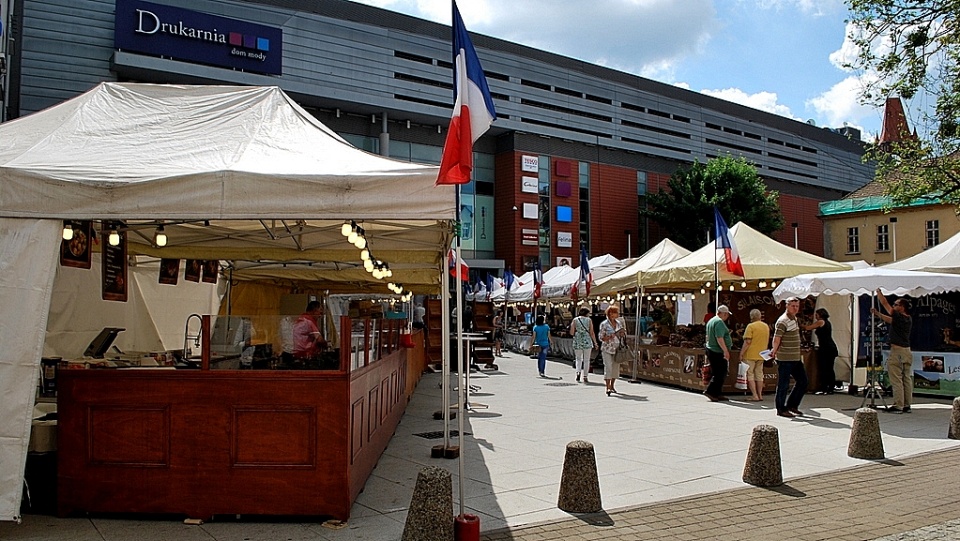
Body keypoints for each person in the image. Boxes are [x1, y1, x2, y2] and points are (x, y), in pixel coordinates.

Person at [871, 292, 913, 413]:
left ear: (902, 307)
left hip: (898, 351)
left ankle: (898, 405)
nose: (894, 306)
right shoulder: (907, 319)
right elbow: (890, 320)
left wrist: (878, 292)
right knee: (906, 378)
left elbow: (884, 303)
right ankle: (907, 404)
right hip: (906, 350)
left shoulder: (899, 316)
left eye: (896, 304)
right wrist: (878, 314)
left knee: (896, 379)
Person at [770, 297, 807, 418]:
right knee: (783, 384)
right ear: (787, 306)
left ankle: (792, 405)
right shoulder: (783, 321)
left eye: (797, 306)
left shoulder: (794, 319)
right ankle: (781, 408)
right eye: (793, 306)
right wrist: (774, 351)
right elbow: (777, 338)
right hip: (785, 357)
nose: (795, 308)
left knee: (803, 381)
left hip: (795, 357)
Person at [803, 308, 839, 395]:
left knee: (826, 368)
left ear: (820, 315)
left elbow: (809, 328)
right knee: (828, 368)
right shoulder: (827, 322)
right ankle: (828, 387)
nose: (815, 316)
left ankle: (826, 387)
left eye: (817, 314)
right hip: (827, 347)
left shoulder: (821, 322)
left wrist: (801, 325)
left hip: (827, 348)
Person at [703, 305, 732, 402]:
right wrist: (725, 351)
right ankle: (711, 391)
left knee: (718, 372)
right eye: (727, 314)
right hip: (717, 350)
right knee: (720, 372)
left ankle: (718, 393)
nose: (727, 316)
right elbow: (719, 337)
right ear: (724, 314)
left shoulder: (711, 321)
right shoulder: (719, 322)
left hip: (711, 349)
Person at [741, 308, 769, 401]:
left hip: (750, 354)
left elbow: (747, 342)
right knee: (759, 374)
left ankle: (754, 395)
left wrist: (741, 353)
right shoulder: (766, 326)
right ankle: (760, 395)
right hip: (762, 354)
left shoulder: (750, 326)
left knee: (750, 375)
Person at [598, 305, 627, 396]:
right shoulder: (604, 324)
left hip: (617, 348)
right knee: (608, 367)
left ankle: (612, 385)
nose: (616, 314)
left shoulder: (619, 323)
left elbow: (623, 333)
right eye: (615, 312)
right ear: (610, 313)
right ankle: (607, 387)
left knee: (615, 368)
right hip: (607, 348)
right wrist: (609, 337)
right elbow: (601, 337)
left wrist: (622, 333)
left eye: (616, 312)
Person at [569, 307, 597, 383]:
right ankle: (585, 376)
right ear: (586, 313)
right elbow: (592, 332)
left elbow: (571, 332)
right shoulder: (589, 320)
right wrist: (595, 342)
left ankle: (578, 372)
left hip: (578, 340)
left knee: (578, 358)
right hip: (587, 340)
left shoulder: (575, 320)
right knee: (587, 360)